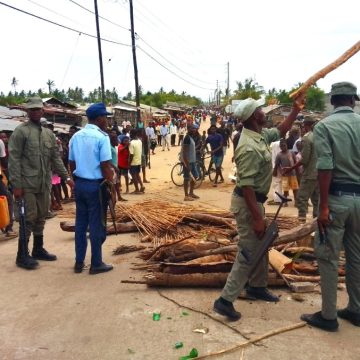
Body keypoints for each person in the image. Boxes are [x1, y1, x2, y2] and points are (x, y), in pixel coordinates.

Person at [213, 95, 304, 321]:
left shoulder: (259, 135)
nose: (265, 112)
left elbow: (280, 130)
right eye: (261, 109)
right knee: (248, 251)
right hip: (248, 204)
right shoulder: (247, 146)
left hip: (255, 202)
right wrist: (257, 218)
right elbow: (246, 187)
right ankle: (225, 300)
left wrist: (295, 110)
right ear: (255, 116)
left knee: (261, 244)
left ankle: (257, 286)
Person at [301, 82, 360, 331]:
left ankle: (328, 316)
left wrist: (323, 206)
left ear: (333, 101)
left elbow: (325, 165)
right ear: (353, 101)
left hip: (336, 198)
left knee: (328, 257)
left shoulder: (324, 126)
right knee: (356, 256)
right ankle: (356, 309)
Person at [8, 97, 74, 270]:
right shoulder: (20, 132)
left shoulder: (48, 134)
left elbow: (55, 158)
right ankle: (22, 255)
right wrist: (16, 185)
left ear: (42, 111)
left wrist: (66, 177)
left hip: (44, 183)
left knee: (41, 216)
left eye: (38, 109)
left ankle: (38, 249)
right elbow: (13, 159)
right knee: (27, 218)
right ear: (27, 112)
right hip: (26, 184)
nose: (35, 112)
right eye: (32, 110)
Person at [69, 103, 113, 275]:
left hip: (80, 184)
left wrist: (76, 178)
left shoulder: (76, 136)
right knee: (96, 225)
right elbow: (105, 165)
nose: (107, 121)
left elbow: (71, 162)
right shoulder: (102, 137)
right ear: (99, 118)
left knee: (81, 223)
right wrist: (111, 180)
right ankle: (96, 263)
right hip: (95, 185)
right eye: (106, 118)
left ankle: (79, 262)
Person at [284, 116, 318, 221]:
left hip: (309, 174)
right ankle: (316, 223)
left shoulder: (307, 138)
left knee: (301, 198)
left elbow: (304, 160)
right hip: (320, 174)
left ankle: (301, 221)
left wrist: (291, 168)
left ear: (305, 125)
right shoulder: (320, 136)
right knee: (316, 200)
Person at [180, 125, 199, 201]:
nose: (193, 130)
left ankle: (191, 192)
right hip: (188, 162)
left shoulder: (191, 138)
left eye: (194, 128)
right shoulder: (187, 138)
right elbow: (184, 152)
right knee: (186, 178)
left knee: (195, 176)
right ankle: (186, 195)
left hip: (192, 161)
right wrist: (186, 164)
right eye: (192, 128)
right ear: (188, 129)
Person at [129, 129, 145, 194]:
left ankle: (137, 189)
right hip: (138, 161)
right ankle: (142, 185)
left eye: (130, 134)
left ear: (132, 134)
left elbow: (131, 154)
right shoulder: (139, 141)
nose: (130, 135)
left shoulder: (131, 143)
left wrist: (129, 163)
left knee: (133, 175)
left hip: (133, 162)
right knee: (137, 174)